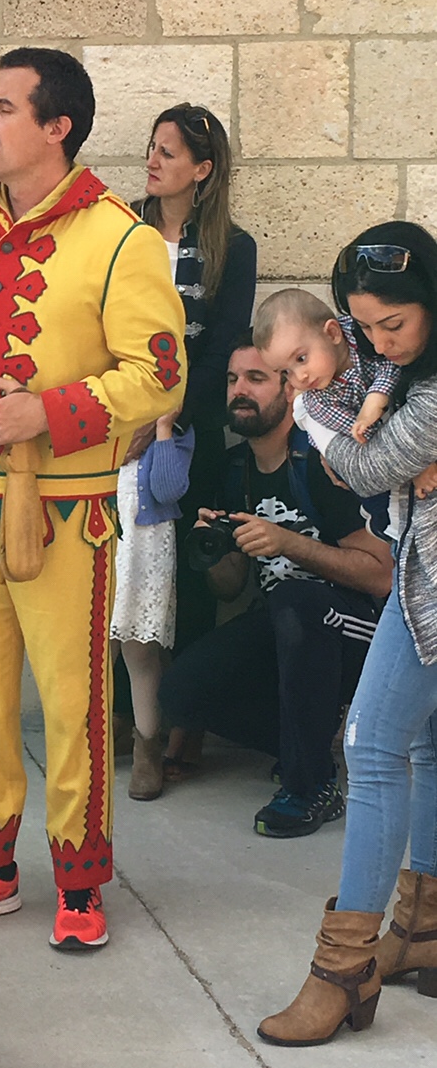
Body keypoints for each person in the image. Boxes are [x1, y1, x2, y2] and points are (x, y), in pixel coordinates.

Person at [0, 47, 186, 951]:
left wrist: (49, 410)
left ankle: (80, 879)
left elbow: (161, 377)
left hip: (66, 507)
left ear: (57, 125)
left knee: (72, 702)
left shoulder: (124, 241)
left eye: (4, 108)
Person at [258, 222, 437, 1046]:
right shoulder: (398, 369)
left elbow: (365, 470)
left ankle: (345, 967)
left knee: (368, 750)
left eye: (393, 325)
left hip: (428, 578)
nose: (378, 344)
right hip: (418, 562)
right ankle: (422, 931)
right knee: (425, 744)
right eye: (364, 327)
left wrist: (304, 412)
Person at [158, 333, 393, 836]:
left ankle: (310, 787)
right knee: (180, 693)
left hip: (361, 631)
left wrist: (288, 542)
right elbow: (230, 587)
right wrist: (213, 551)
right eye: (232, 379)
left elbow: (381, 575)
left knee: (295, 601)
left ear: (291, 390)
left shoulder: (322, 461)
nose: (239, 390)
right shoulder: (236, 467)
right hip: (287, 629)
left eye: (256, 379)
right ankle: (303, 749)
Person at [120, 103, 256, 777]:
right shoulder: (120, 232)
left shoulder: (235, 246)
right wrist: (128, 416)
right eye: (152, 148)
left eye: (168, 152)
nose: (153, 160)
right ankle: (126, 715)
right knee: (120, 573)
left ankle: (186, 722)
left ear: (201, 170)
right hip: (119, 431)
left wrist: (167, 415)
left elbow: (225, 345)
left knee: (189, 574)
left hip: (194, 432)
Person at [110, 409, 194, 800]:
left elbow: (168, 488)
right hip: (101, 539)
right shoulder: (102, 422)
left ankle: (147, 749)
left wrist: (162, 428)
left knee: (140, 652)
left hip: (144, 549)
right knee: (92, 651)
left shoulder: (176, 433)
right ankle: (88, 740)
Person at [254, 286, 400, 445]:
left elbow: (395, 358)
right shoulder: (319, 404)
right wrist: (364, 422)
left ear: (332, 333)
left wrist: (377, 395)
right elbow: (364, 436)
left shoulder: (359, 331)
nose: (300, 378)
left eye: (301, 358)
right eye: (286, 372)